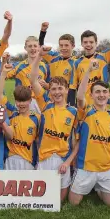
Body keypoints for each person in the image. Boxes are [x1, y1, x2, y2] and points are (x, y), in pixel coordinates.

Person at [29, 48, 79, 201]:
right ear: (49, 92)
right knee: (42, 199)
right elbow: (32, 79)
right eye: (53, 89)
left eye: (60, 88)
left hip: (62, 159)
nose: (57, 92)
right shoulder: (45, 105)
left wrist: (69, 162)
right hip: (44, 157)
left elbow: (77, 142)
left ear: (66, 90)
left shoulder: (74, 111)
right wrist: (39, 56)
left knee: (60, 201)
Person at [69, 60, 110, 207]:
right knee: (74, 203)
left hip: (106, 168)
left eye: (104, 92)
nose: (101, 95)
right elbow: (79, 97)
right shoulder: (86, 112)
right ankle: (91, 185)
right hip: (86, 167)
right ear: (91, 95)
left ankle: (97, 187)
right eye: (97, 92)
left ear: (109, 95)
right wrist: (89, 71)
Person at [70, 11, 110, 108]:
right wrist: (72, 108)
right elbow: (72, 88)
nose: (88, 45)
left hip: (102, 104)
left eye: (91, 42)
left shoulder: (104, 56)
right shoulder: (77, 62)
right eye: (85, 42)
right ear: (82, 44)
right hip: (84, 106)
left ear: (96, 43)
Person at [0, 63, 40, 171]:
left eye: (24, 101)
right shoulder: (12, 113)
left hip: (28, 161)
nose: (21, 104)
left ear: (30, 100)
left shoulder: (37, 118)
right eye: (19, 101)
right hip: (10, 160)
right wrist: (3, 74)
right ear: (15, 101)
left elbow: (39, 142)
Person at [37, 22, 77, 105]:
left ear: (73, 46)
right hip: (50, 100)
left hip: (66, 102)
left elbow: (72, 87)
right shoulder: (53, 58)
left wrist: (48, 86)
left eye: (66, 45)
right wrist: (43, 31)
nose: (63, 48)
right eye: (61, 45)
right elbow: (41, 47)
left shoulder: (76, 63)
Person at [7, 36, 49, 112]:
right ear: (25, 48)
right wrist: (4, 61)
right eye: (30, 46)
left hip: (40, 101)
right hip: (22, 102)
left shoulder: (45, 67)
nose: (32, 48)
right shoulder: (18, 66)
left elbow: (51, 86)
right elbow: (2, 76)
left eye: (35, 46)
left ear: (39, 47)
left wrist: (46, 85)